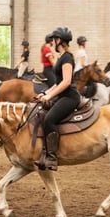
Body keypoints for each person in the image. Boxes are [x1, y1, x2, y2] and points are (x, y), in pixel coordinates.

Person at [34, 27, 81, 171]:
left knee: (49, 119)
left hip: (70, 97)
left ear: (58, 40)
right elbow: (57, 82)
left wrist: (49, 96)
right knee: (40, 112)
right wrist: (45, 93)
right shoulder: (62, 57)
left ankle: (52, 157)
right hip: (62, 95)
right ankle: (43, 150)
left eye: (54, 39)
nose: (52, 42)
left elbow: (66, 82)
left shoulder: (67, 57)